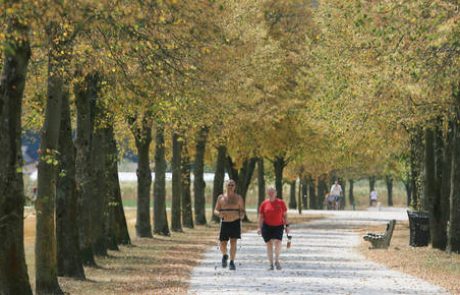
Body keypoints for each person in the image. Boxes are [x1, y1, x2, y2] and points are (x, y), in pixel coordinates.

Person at [214, 179, 245, 271]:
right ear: (225, 186)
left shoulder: (239, 198)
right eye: (229, 185)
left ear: (235, 187)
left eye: (232, 185)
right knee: (222, 243)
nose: (230, 187)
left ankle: (232, 262)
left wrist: (242, 215)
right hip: (224, 222)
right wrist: (219, 214)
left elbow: (242, 210)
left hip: (235, 222)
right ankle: (224, 255)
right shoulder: (221, 198)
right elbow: (216, 210)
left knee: (233, 242)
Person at [258, 187, 289, 270]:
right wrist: (259, 227)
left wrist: (287, 226)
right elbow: (261, 217)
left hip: (278, 226)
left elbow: (285, 215)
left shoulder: (281, 203)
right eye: (269, 192)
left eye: (273, 192)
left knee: (278, 242)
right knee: (269, 244)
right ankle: (271, 264)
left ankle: (277, 260)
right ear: (267, 193)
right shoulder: (264, 204)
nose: (271, 193)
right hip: (267, 226)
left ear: (276, 193)